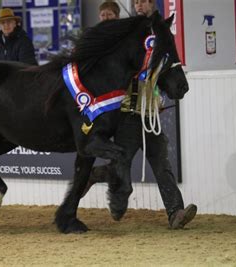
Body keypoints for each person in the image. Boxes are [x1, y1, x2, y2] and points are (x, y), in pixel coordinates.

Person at [84, 0, 197, 230]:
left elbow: (162, 67)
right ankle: (95, 175)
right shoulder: (130, 33)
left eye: (142, 1)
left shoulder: (159, 32)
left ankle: (175, 212)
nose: (138, 6)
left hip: (148, 111)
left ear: (151, 3)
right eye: (135, 2)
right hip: (127, 112)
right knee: (121, 164)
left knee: (161, 162)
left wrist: (157, 97)